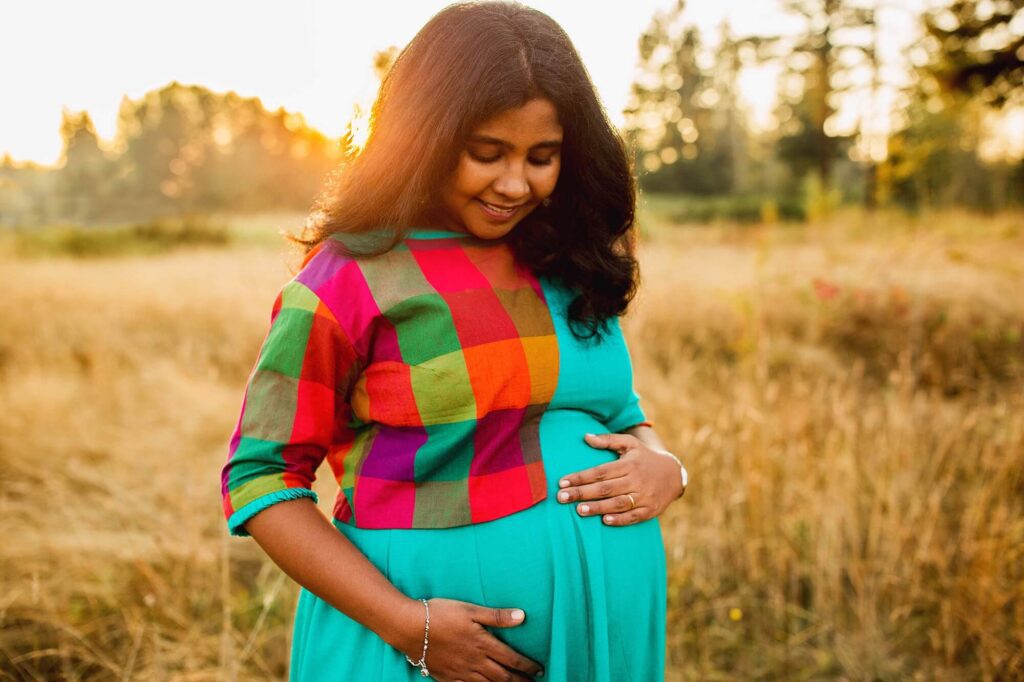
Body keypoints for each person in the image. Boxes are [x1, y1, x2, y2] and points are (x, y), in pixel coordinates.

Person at [220, 2, 689, 680]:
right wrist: (407, 626)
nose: (514, 184)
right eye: (487, 153)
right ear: (425, 137)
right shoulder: (349, 280)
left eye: (542, 157)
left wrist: (666, 466)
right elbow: (260, 477)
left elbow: (619, 416)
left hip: (603, 640)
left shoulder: (564, 259)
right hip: (412, 649)